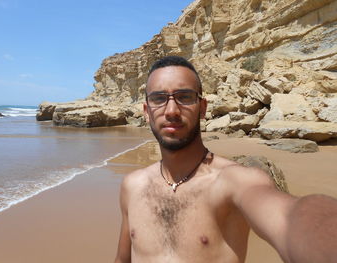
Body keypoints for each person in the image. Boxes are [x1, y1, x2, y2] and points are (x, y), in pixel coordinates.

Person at [114, 56, 337, 263]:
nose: (171, 110)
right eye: (159, 99)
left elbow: (291, 218)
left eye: (184, 97)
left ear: (202, 108)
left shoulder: (234, 182)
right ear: (146, 111)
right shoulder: (132, 186)